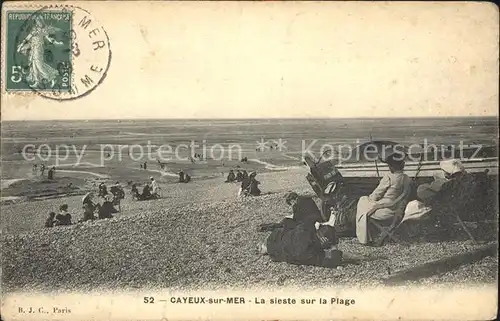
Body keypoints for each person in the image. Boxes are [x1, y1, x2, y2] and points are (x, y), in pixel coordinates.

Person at [260, 193, 342, 267]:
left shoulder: (304, 225)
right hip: (276, 249)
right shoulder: (307, 199)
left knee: (286, 223)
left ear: (292, 200)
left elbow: (296, 219)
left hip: (300, 227)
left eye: (290, 204)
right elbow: (331, 259)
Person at [355, 151, 411, 245]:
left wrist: (372, 198)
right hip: (397, 210)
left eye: (389, 165)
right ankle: (368, 234)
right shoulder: (407, 178)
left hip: (384, 211)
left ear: (392, 166)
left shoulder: (388, 176)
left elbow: (376, 194)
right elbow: (404, 195)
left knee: (362, 200)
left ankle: (364, 237)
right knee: (366, 203)